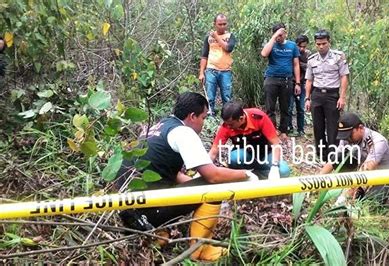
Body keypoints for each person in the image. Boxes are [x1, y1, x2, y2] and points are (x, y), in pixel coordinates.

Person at [116, 92, 258, 261]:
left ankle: (159, 233)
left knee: (201, 186)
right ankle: (200, 250)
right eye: (203, 118)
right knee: (214, 188)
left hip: (127, 205)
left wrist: (195, 187)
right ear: (192, 116)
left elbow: (168, 171)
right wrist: (246, 174)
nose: (203, 124)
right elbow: (213, 176)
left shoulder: (161, 126)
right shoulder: (183, 132)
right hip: (145, 210)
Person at [319, 113, 389, 204]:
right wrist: (317, 182)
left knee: (368, 205)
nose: (347, 138)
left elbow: (367, 169)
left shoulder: (378, 141)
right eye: (344, 135)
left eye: (349, 135)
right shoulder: (347, 138)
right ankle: (351, 191)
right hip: (361, 172)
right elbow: (334, 160)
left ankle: (363, 194)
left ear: (360, 128)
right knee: (339, 157)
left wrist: (344, 197)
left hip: (382, 176)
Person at [209, 101, 291, 180]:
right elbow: (214, 150)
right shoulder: (226, 126)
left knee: (283, 171)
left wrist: (274, 167)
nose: (228, 127)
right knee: (233, 158)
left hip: (265, 154)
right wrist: (205, 168)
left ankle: (257, 174)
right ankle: (243, 177)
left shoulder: (259, 117)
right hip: (245, 155)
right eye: (226, 124)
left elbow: (276, 144)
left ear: (241, 119)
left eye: (231, 124)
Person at [304, 29, 349, 161]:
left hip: (332, 95)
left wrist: (342, 96)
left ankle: (333, 157)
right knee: (318, 127)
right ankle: (321, 156)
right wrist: (307, 98)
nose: (321, 46)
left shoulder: (338, 57)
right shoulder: (312, 59)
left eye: (324, 43)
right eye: (318, 44)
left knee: (333, 128)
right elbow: (309, 80)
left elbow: (344, 77)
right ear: (315, 44)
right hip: (316, 94)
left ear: (329, 42)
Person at [261, 23, 301, 141]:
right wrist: (274, 37)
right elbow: (264, 54)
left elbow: (296, 64)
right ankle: (272, 131)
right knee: (270, 108)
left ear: (285, 33)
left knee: (286, 108)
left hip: (287, 80)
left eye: (281, 35)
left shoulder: (292, 45)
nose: (279, 37)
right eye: (277, 35)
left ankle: (284, 131)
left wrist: (297, 83)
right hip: (271, 78)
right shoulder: (271, 44)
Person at [198, 13, 236, 116]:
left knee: (226, 96)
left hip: (226, 71)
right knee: (210, 96)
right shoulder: (208, 38)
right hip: (211, 70)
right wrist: (201, 72)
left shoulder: (230, 36)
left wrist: (216, 37)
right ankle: (211, 116)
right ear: (215, 24)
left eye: (224, 24)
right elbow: (204, 55)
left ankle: (227, 117)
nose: (222, 26)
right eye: (220, 24)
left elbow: (228, 48)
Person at [288, 34, 311, 137]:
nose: (302, 49)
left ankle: (301, 129)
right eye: (300, 46)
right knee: (289, 107)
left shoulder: (307, 54)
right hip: (290, 82)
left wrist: (299, 63)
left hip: (302, 84)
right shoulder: (291, 52)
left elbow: (309, 68)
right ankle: (289, 128)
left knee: (301, 108)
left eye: (304, 46)